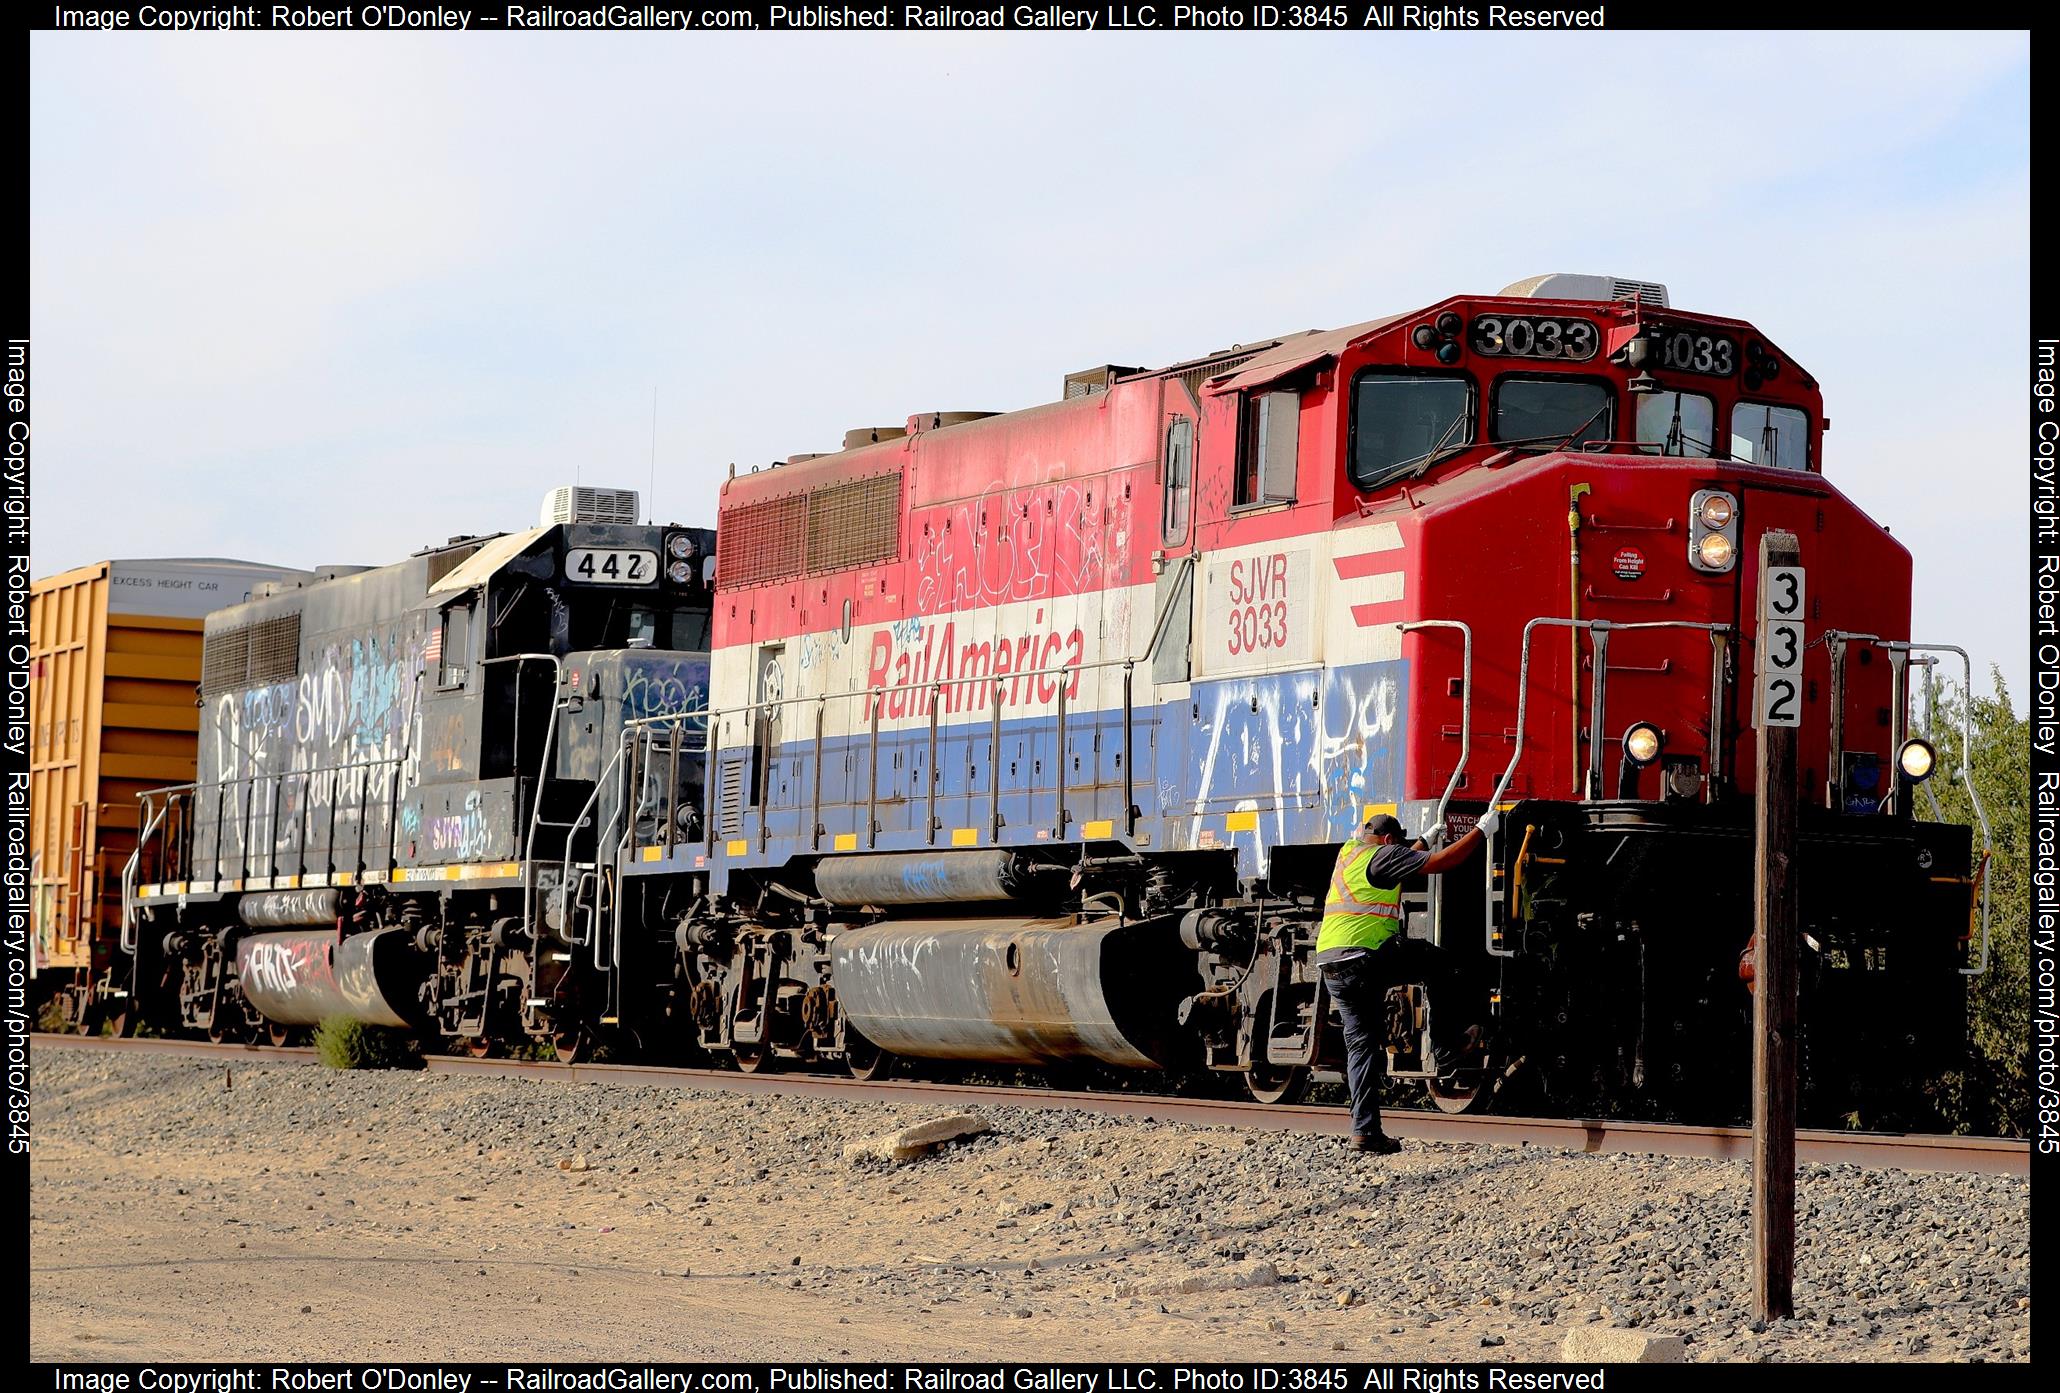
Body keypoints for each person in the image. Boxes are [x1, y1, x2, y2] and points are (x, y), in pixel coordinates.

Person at [1317, 809, 1498, 1154]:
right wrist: (1480, 831)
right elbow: (1442, 862)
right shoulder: (1383, 854)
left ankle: (1364, 1132)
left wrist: (1424, 841)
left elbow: (1398, 862)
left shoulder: (1350, 853)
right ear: (1388, 842)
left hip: (1332, 964)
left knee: (1361, 1048)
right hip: (1366, 957)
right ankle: (1445, 1049)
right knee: (1439, 964)